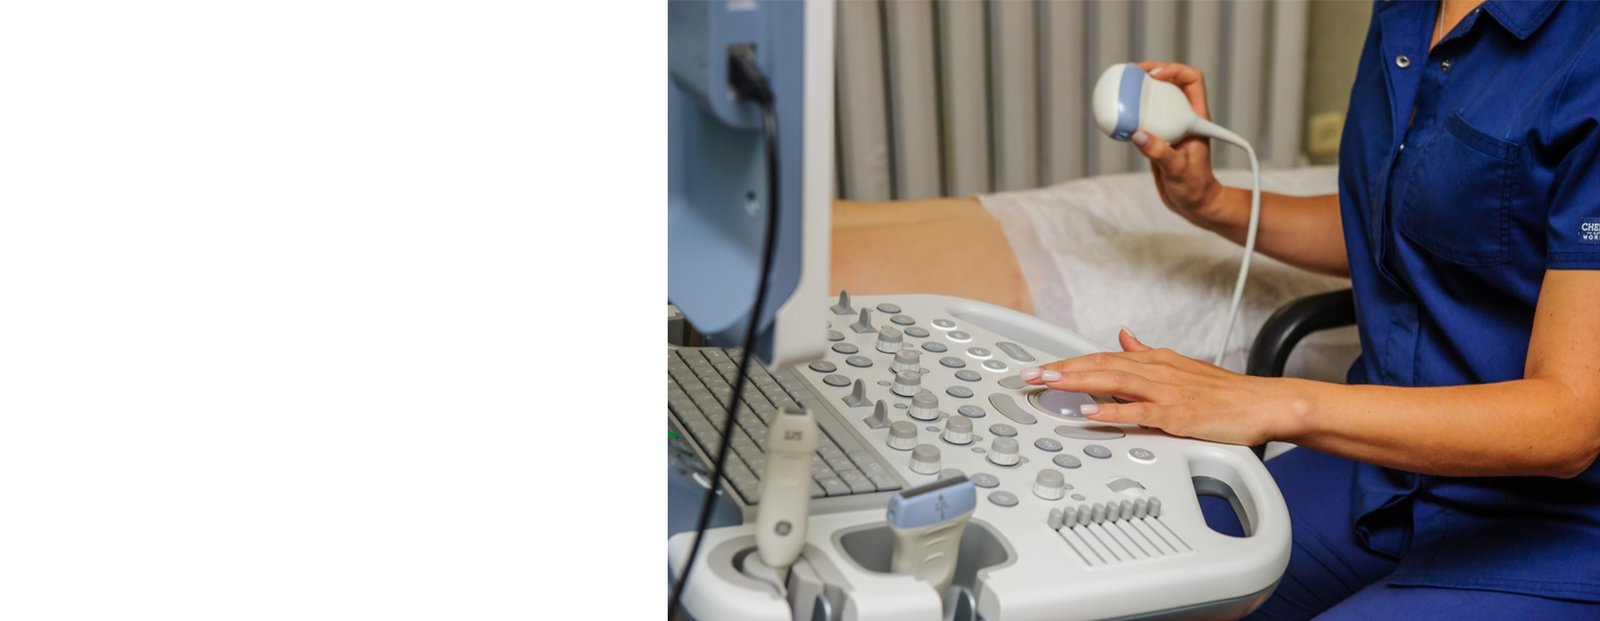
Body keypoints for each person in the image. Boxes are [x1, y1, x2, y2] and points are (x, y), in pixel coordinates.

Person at [1016, 1, 1600, 618]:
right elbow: (1406, 223)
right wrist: (1213, 203)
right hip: (1390, 467)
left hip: (1559, 520)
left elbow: (1569, 423)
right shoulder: (1406, 15)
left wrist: (1273, 402)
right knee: (1136, 576)